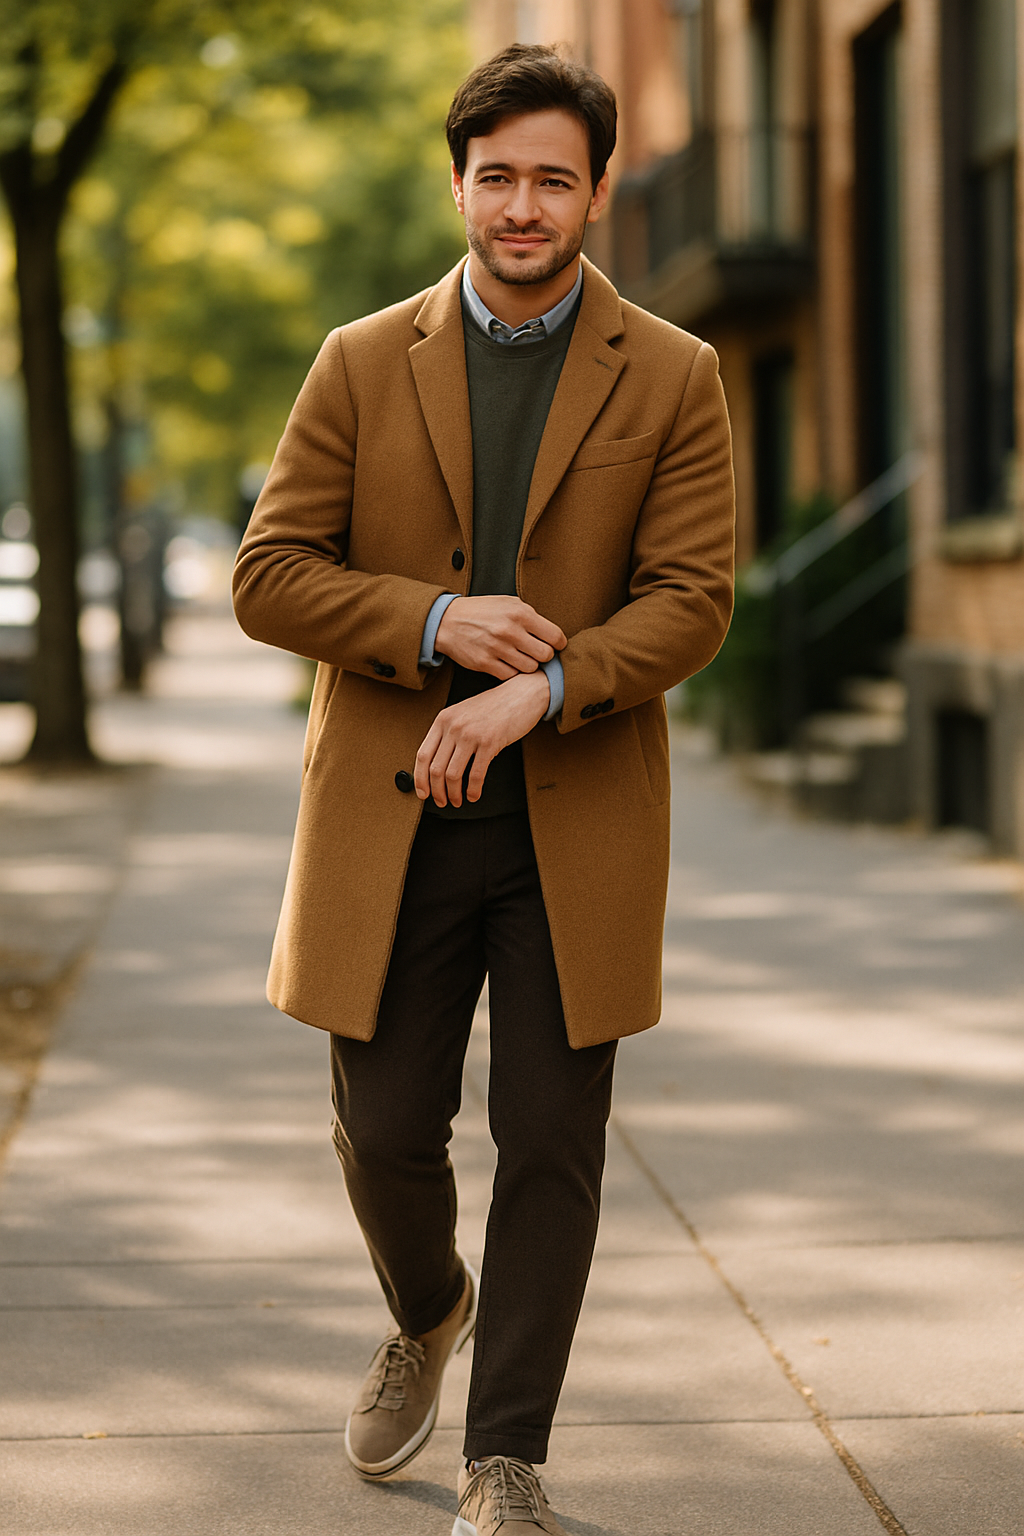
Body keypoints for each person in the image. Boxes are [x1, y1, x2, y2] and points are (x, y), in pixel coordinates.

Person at [233, 42, 734, 1536]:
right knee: (383, 1129)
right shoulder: (356, 359)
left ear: (596, 195)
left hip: (572, 820)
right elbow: (270, 574)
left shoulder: (676, 373)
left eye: (554, 180)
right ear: (459, 183)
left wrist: (548, 680)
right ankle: (428, 1306)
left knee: (550, 1138)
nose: (524, 205)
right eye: (499, 175)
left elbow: (696, 598)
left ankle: (505, 1458)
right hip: (388, 819)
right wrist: (436, 624)